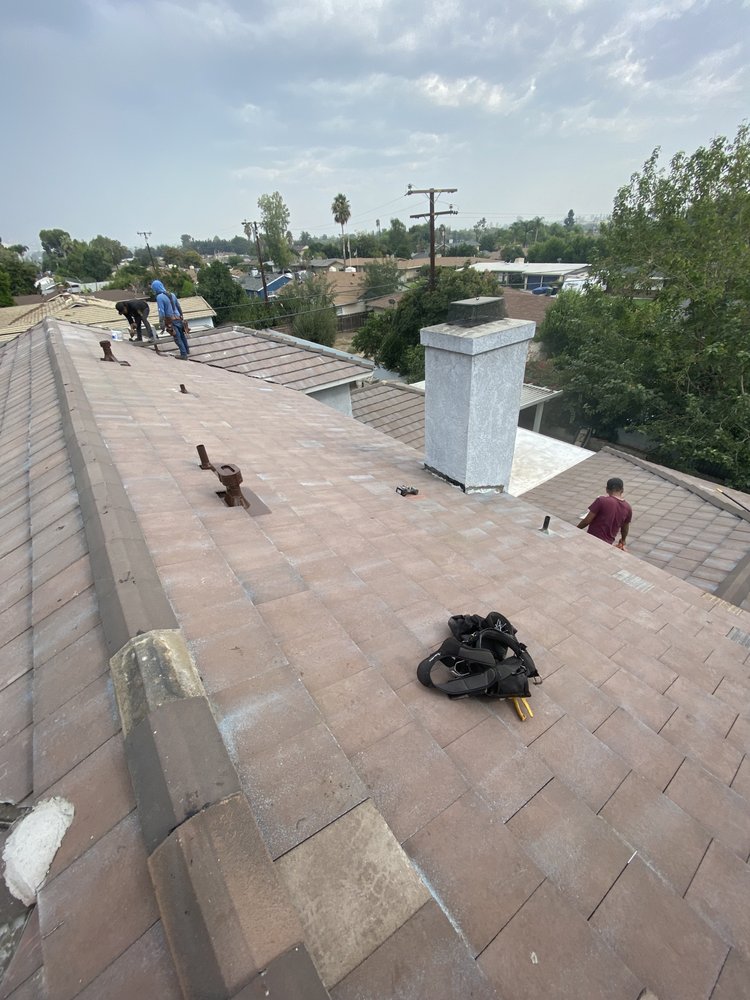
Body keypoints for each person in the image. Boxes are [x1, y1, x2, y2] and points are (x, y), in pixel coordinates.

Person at [577, 477, 632, 548]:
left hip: (593, 539)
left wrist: (576, 529)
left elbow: (587, 521)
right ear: (622, 490)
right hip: (607, 544)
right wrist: (623, 540)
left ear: (607, 489)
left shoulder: (601, 500)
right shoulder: (628, 507)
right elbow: (625, 528)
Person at [151, 279, 190, 359]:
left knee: (177, 337)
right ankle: (187, 350)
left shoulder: (159, 297)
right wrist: (182, 316)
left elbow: (161, 312)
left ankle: (183, 354)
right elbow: (178, 306)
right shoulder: (172, 294)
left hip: (171, 320)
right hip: (178, 318)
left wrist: (161, 324)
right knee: (182, 335)